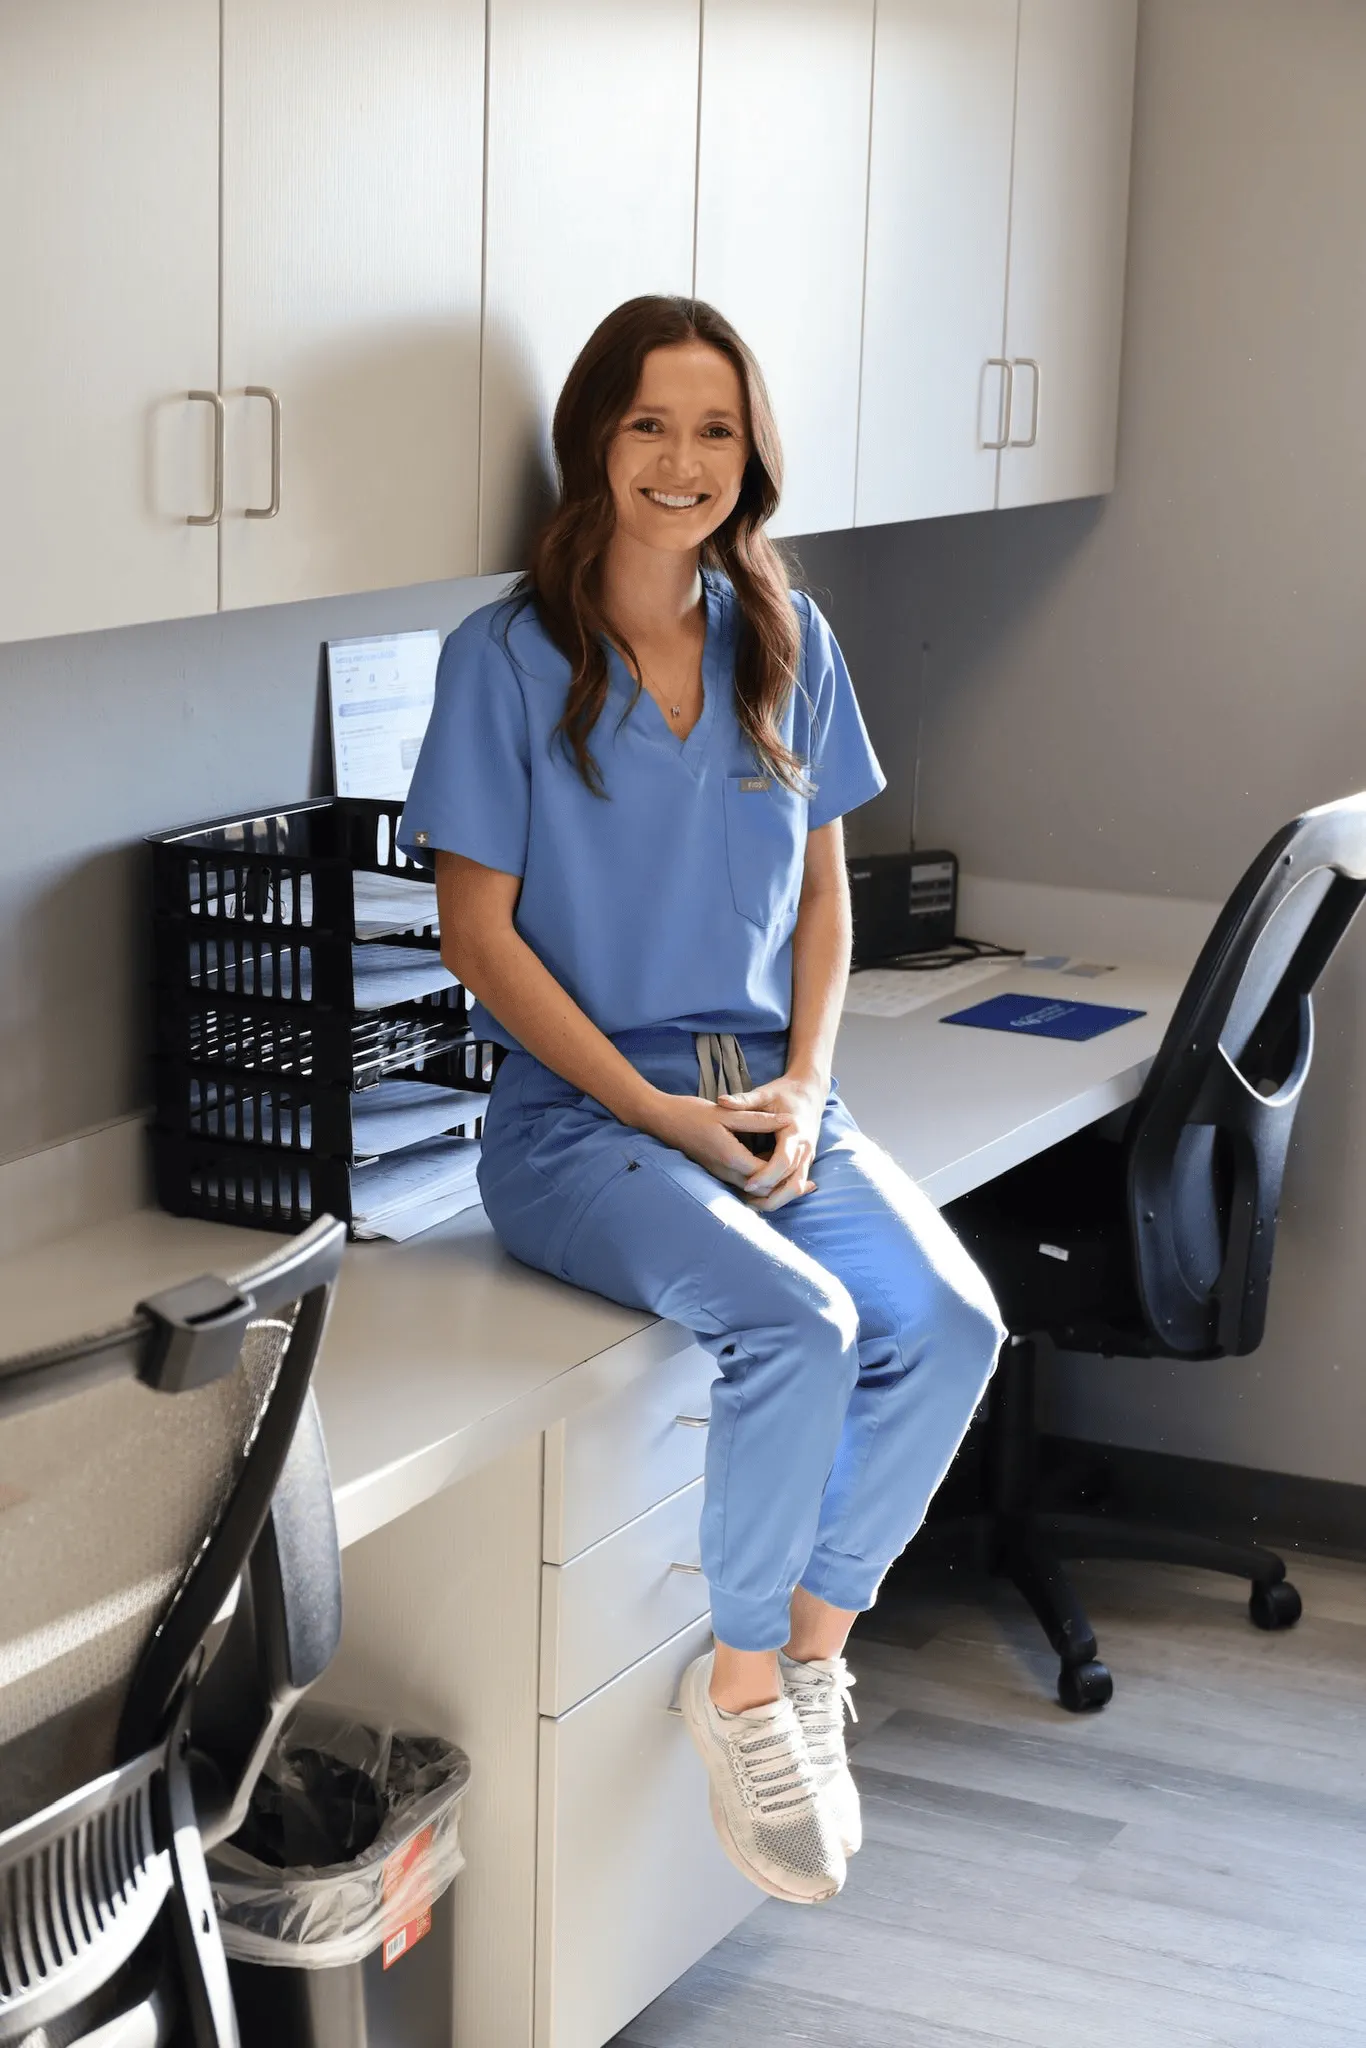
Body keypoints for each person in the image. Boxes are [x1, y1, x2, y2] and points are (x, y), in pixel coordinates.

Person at [399, 295, 1005, 1906]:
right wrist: (661, 1119)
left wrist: (806, 1086)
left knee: (950, 1325)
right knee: (794, 1325)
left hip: (766, 1101)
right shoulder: (506, 661)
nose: (682, 460)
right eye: (649, 425)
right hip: (576, 1131)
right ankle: (737, 1688)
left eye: (715, 429)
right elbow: (476, 936)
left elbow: (825, 904)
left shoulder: (786, 642)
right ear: (593, 442)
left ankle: (809, 1657)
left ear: (753, 455)